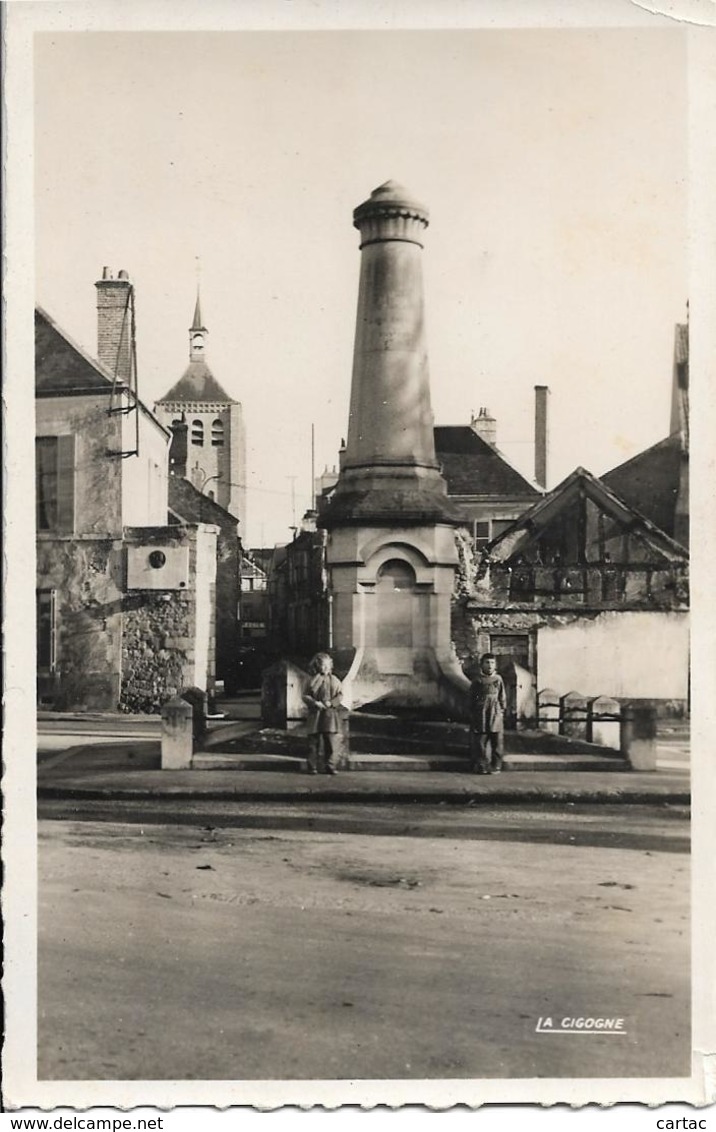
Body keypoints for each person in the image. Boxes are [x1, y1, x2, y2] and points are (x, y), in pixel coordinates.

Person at [303, 652, 343, 775]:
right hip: (316, 714)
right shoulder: (311, 680)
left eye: (327, 666)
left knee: (330, 742)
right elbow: (305, 695)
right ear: (317, 666)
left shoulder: (335, 680)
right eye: (323, 666)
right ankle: (312, 766)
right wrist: (315, 703)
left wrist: (332, 703)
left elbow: (340, 695)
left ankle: (330, 765)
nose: (325, 669)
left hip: (330, 715)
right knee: (313, 743)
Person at [469, 653, 507, 774]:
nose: (490, 666)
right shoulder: (477, 680)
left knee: (497, 741)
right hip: (481, 713)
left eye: (492, 663)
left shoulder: (498, 679)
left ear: (495, 665)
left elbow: (502, 696)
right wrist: (473, 712)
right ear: (481, 665)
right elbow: (471, 698)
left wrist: (501, 710)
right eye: (487, 663)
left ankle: (496, 766)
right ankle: (482, 765)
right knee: (480, 742)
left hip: (495, 713)